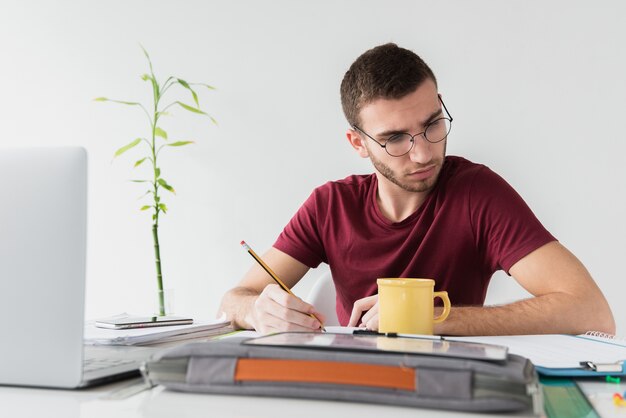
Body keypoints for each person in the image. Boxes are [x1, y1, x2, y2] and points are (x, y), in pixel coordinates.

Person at [219, 43, 615, 336]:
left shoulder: (478, 194)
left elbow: (592, 311)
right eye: (395, 138)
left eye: (432, 124)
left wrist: (436, 318)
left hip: (450, 389)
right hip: (351, 389)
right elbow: (234, 299)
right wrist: (257, 310)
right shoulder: (330, 205)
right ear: (358, 143)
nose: (424, 153)